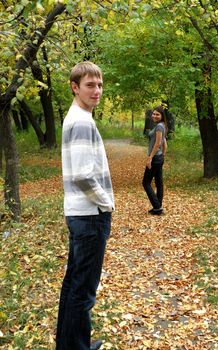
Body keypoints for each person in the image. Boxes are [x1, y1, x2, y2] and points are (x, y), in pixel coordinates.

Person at [56, 62, 114, 350]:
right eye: (90, 85)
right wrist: (107, 203)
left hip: (81, 214)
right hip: (90, 216)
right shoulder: (80, 121)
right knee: (83, 291)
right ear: (75, 87)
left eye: (100, 85)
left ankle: (69, 344)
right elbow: (82, 175)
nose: (97, 90)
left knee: (73, 286)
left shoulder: (77, 117)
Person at [142, 106, 167, 215]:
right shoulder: (162, 126)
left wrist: (150, 158)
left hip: (155, 158)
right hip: (159, 157)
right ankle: (158, 207)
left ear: (161, 116)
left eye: (157, 114)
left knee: (146, 182)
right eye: (154, 114)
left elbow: (157, 144)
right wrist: (162, 155)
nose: (154, 116)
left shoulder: (159, 127)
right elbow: (165, 144)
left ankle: (157, 206)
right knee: (158, 182)